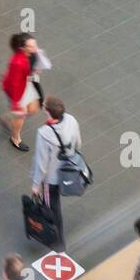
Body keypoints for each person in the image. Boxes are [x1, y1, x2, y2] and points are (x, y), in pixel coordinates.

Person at [31, 95, 81, 252]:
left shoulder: (44, 133)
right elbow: (78, 142)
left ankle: (57, 239)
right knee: (55, 204)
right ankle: (58, 237)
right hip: (67, 170)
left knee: (52, 207)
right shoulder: (71, 121)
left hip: (51, 179)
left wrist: (35, 184)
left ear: (47, 112)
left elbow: (41, 162)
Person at [0, 32, 41, 151]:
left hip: (25, 84)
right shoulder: (17, 62)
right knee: (21, 115)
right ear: (23, 48)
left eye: (35, 44)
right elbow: (15, 84)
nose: (35, 48)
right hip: (17, 91)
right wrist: (17, 104)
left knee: (33, 108)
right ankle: (15, 138)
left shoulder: (32, 53)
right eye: (32, 46)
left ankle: (8, 118)